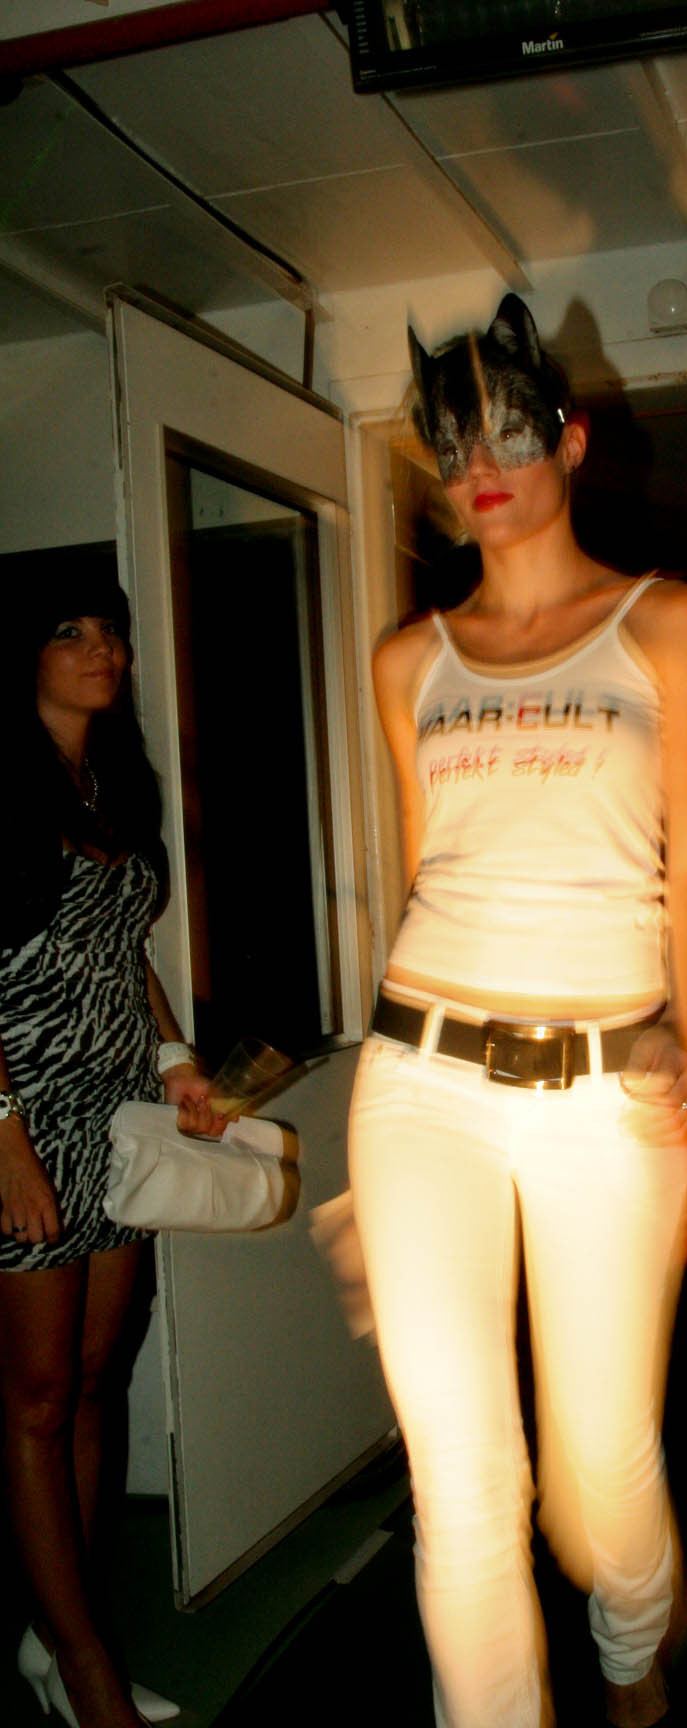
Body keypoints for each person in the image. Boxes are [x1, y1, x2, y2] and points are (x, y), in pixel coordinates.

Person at [347, 295, 687, 1728]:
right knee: (461, 1482)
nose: (481, 468)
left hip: (611, 1084)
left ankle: (635, 1647)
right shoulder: (408, 661)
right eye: (453, 447)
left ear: (569, 440)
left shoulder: (668, 624)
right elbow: (423, 874)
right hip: (421, 1084)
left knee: (607, 1471)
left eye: (509, 433)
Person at [0, 565, 218, 1728]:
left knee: (94, 1380)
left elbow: (120, 950)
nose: (102, 650)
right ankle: (84, 1670)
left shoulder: (112, 781)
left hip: (118, 1112)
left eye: (112, 632)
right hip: (19, 1116)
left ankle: (61, 1634)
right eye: (71, 632)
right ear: (24, 656)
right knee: (37, 1400)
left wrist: (176, 1062)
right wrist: (3, 1140)